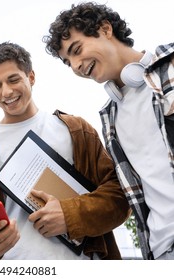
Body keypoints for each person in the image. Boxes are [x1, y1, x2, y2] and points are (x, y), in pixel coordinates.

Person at [0, 42, 129, 260]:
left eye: (14, 79)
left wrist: (70, 215)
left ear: (31, 77)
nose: (6, 92)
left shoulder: (75, 130)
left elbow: (120, 194)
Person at [43, 2, 174, 260]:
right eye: (68, 62)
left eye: (77, 50)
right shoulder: (110, 117)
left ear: (105, 29)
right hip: (160, 252)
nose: (77, 66)